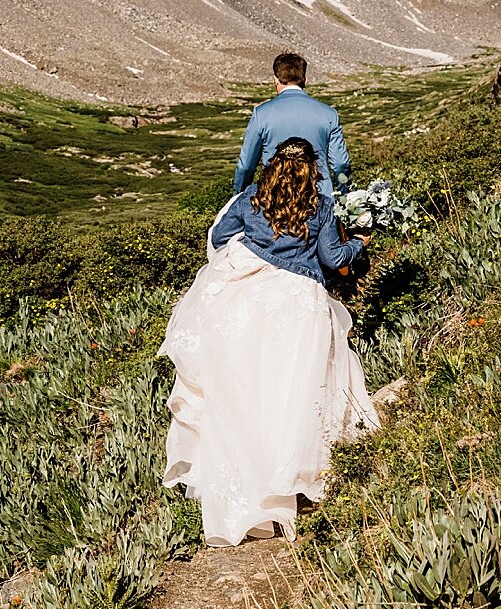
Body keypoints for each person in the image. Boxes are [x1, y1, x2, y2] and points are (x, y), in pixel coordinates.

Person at [159, 136, 380, 546]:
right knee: (293, 396)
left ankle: (255, 490)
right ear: (313, 170)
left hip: (246, 306)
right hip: (298, 307)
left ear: (273, 167)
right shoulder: (321, 207)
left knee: (250, 399)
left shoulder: (250, 200)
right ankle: (295, 484)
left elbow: (221, 238)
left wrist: (256, 250)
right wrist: (359, 245)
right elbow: (333, 260)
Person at [235, 52, 350, 198]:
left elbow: (246, 167)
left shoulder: (261, 114)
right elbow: (340, 164)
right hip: (319, 198)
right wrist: (344, 196)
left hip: (275, 200)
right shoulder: (329, 114)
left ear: (275, 79)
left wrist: (239, 196)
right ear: (305, 80)